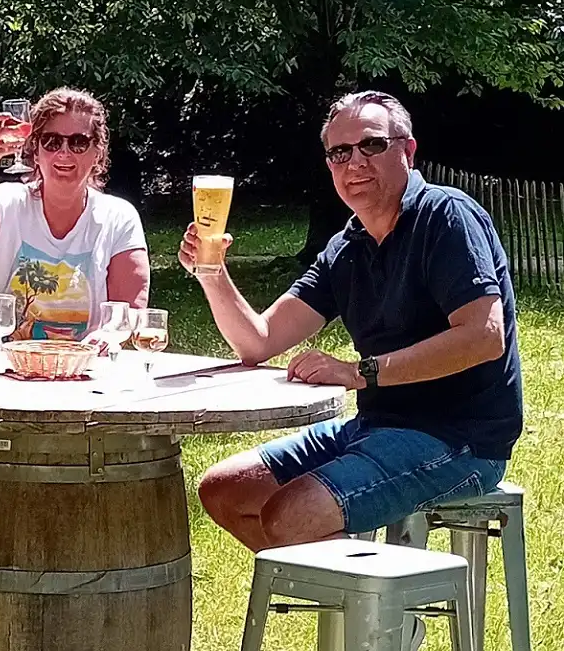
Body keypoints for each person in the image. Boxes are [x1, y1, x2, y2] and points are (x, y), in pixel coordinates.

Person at [182, 90, 521, 559]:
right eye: (340, 152)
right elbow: (259, 342)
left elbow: (484, 336)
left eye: (372, 145)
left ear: (408, 150)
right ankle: (365, 596)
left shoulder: (445, 216)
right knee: (225, 490)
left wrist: (360, 372)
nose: (355, 162)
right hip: (375, 425)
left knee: (289, 514)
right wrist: (212, 273)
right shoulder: (346, 247)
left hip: (461, 438)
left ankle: (389, 605)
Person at [0, 87, 149, 345]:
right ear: (35, 150)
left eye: (78, 142)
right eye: (51, 141)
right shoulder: (7, 203)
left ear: (97, 153)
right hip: (0, 365)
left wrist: (107, 335)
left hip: (83, 365)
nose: (64, 152)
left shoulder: (119, 218)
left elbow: (132, 309)